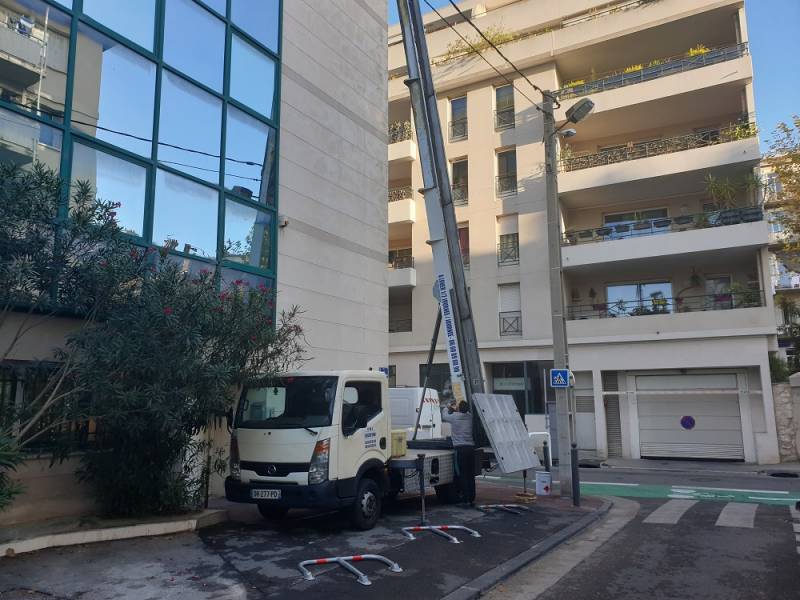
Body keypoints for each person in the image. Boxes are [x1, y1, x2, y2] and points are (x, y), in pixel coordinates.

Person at [441, 400, 475, 505]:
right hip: (471, 448)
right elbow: (464, 411)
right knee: (470, 474)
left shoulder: (454, 417)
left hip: (460, 449)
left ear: (459, 409)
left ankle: (465, 500)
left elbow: (444, 415)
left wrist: (448, 407)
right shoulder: (470, 417)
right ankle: (471, 498)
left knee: (462, 474)